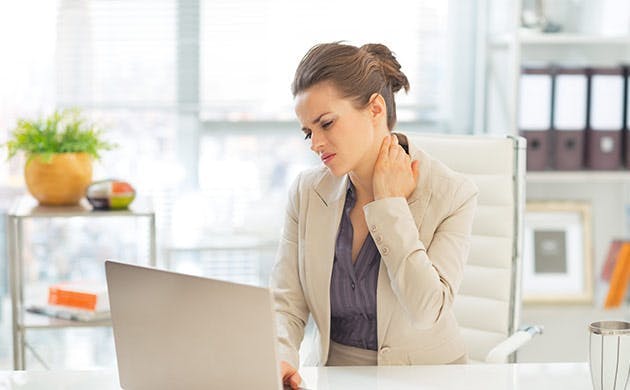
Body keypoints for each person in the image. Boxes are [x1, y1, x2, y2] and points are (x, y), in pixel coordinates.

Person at [270, 42, 479, 389]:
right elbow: (287, 304)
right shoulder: (307, 193)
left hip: (428, 379)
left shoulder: (452, 193)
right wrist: (281, 359)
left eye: (326, 124)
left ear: (375, 109)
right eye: (309, 131)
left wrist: (389, 207)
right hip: (333, 376)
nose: (315, 144)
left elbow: (427, 310)